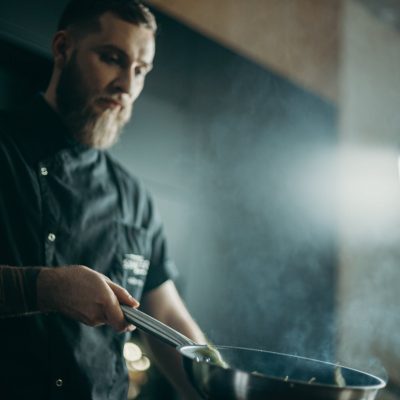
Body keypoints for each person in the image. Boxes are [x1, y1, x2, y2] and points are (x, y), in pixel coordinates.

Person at [0, 1, 207, 399]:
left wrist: (221, 381)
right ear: (63, 49)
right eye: (112, 58)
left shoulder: (133, 198)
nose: (127, 86)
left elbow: (164, 315)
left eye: (140, 70)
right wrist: (46, 288)